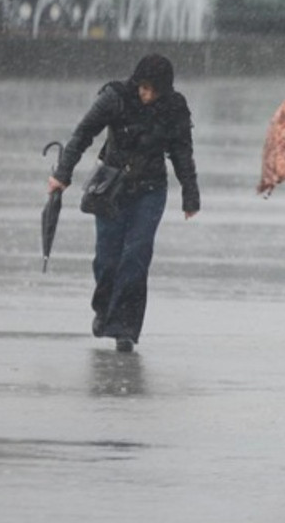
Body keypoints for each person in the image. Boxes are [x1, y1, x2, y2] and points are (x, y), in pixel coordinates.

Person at [47, 54, 200, 353]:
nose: (147, 95)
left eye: (153, 90)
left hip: (151, 190)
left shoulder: (174, 108)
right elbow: (83, 134)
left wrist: (190, 195)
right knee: (107, 258)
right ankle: (104, 309)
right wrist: (62, 175)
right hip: (110, 188)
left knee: (137, 256)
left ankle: (125, 328)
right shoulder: (114, 97)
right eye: (143, 88)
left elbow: (182, 152)